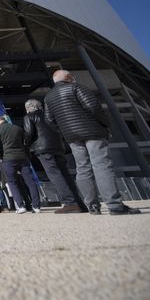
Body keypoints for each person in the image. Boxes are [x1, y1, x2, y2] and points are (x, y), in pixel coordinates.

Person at [44, 70, 140, 215]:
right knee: (101, 165)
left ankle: (92, 206)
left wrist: (65, 131)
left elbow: (49, 120)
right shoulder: (77, 87)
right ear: (69, 77)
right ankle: (114, 205)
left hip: (72, 137)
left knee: (82, 168)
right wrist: (105, 125)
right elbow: (93, 107)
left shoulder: (48, 97)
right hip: (92, 131)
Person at [24, 99, 87, 214]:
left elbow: (29, 133)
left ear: (28, 108)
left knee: (55, 175)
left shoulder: (29, 117)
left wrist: (26, 145)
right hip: (58, 148)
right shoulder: (50, 116)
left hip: (43, 149)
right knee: (65, 175)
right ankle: (80, 203)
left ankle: (70, 203)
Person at [0, 116, 41, 214]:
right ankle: (36, 206)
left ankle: (20, 206)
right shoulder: (17, 128)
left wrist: (0, 156)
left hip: (8, 158)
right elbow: (25, 143)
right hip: (22, 157)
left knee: (12, 182)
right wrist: (27, 155)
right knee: (30, 182)